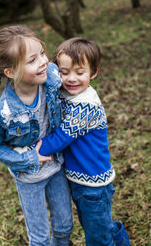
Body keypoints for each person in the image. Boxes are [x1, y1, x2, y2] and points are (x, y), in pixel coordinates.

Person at [0, 25, 73, 246]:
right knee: (40, 238)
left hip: (56, 166)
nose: (43, 61)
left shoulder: (50, 78)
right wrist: (28, 159)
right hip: (29, 177)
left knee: (64, 226)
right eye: (32, 60)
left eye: (42, 53)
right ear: (10, 72)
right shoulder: (4, 112)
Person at [38, 37, 131, 246]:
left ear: (93, 72)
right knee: (100, 226)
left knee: (98, 238)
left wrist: (37, 149)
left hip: (93, 184)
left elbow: (63, 136)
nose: (71, 78)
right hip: (81, 180)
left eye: (80, 73)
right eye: (64, 72)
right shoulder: (67, 92)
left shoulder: (86, 104)